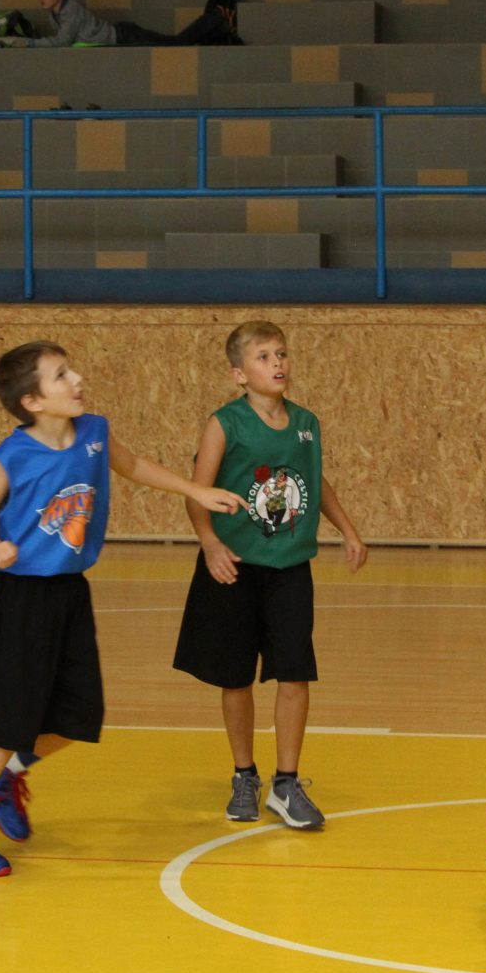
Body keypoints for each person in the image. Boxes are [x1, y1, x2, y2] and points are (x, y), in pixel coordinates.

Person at [0, 341, 240, 877]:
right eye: (60, 375)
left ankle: (7, 775)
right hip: (21, 597)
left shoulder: (94, 432)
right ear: (32, 401)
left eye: (71, 370)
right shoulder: (13, 455)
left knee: (78, 715)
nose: (76, 379)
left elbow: (134, 465)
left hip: (69, 592)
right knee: (7, 720)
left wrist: (196, 490)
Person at [174, 319, 366, 829]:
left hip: (289, 567)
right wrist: (210, 542)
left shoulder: (306, 422)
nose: (277, 363)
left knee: (295, 672)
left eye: (280, 354)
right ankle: (244, 775)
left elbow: (315, 480)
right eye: (263, 357)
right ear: (239, 374)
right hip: (234, 566)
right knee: (236, 677)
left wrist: (347, 529)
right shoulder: (225, 424)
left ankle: (286, 782)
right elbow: (197, 492)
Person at [0, 0, 241, 48]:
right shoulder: (56, 13)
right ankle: (217, 28)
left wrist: (27, 43)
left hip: (124, 36)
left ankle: (217, 16)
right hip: (121, 35)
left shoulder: (71, 11)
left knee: (175, 43)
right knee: (176, 44)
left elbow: (62, 41)